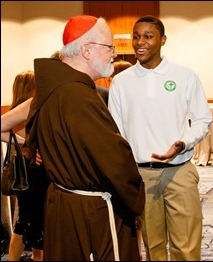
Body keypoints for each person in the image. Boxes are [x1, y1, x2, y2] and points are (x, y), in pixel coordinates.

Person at [25, 15, 145, 261]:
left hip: (63, 204)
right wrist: (136, 194)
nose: (113, 54)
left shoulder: (55, 89)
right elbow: (114, 160)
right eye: (109, 47)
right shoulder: (78, 95)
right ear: (87, 50)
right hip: (91, 212)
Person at [108, 15, 212, 261]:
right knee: (153, 248)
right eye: (136, 36)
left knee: (186, 248)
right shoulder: (121, 82)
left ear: (163, 40)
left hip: (180, 172)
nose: (139, 42)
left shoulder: (184, 75)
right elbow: (116, 133)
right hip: (142, 176)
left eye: (148, 36)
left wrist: (182, 143)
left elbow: (202, 120)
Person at [1, 70, 47, 262]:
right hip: (33, 175)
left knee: (23, 224)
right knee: (35, 229)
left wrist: (23, 144)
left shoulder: (17, 109)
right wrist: (27, 145)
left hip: (26, 177)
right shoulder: (30, 108)